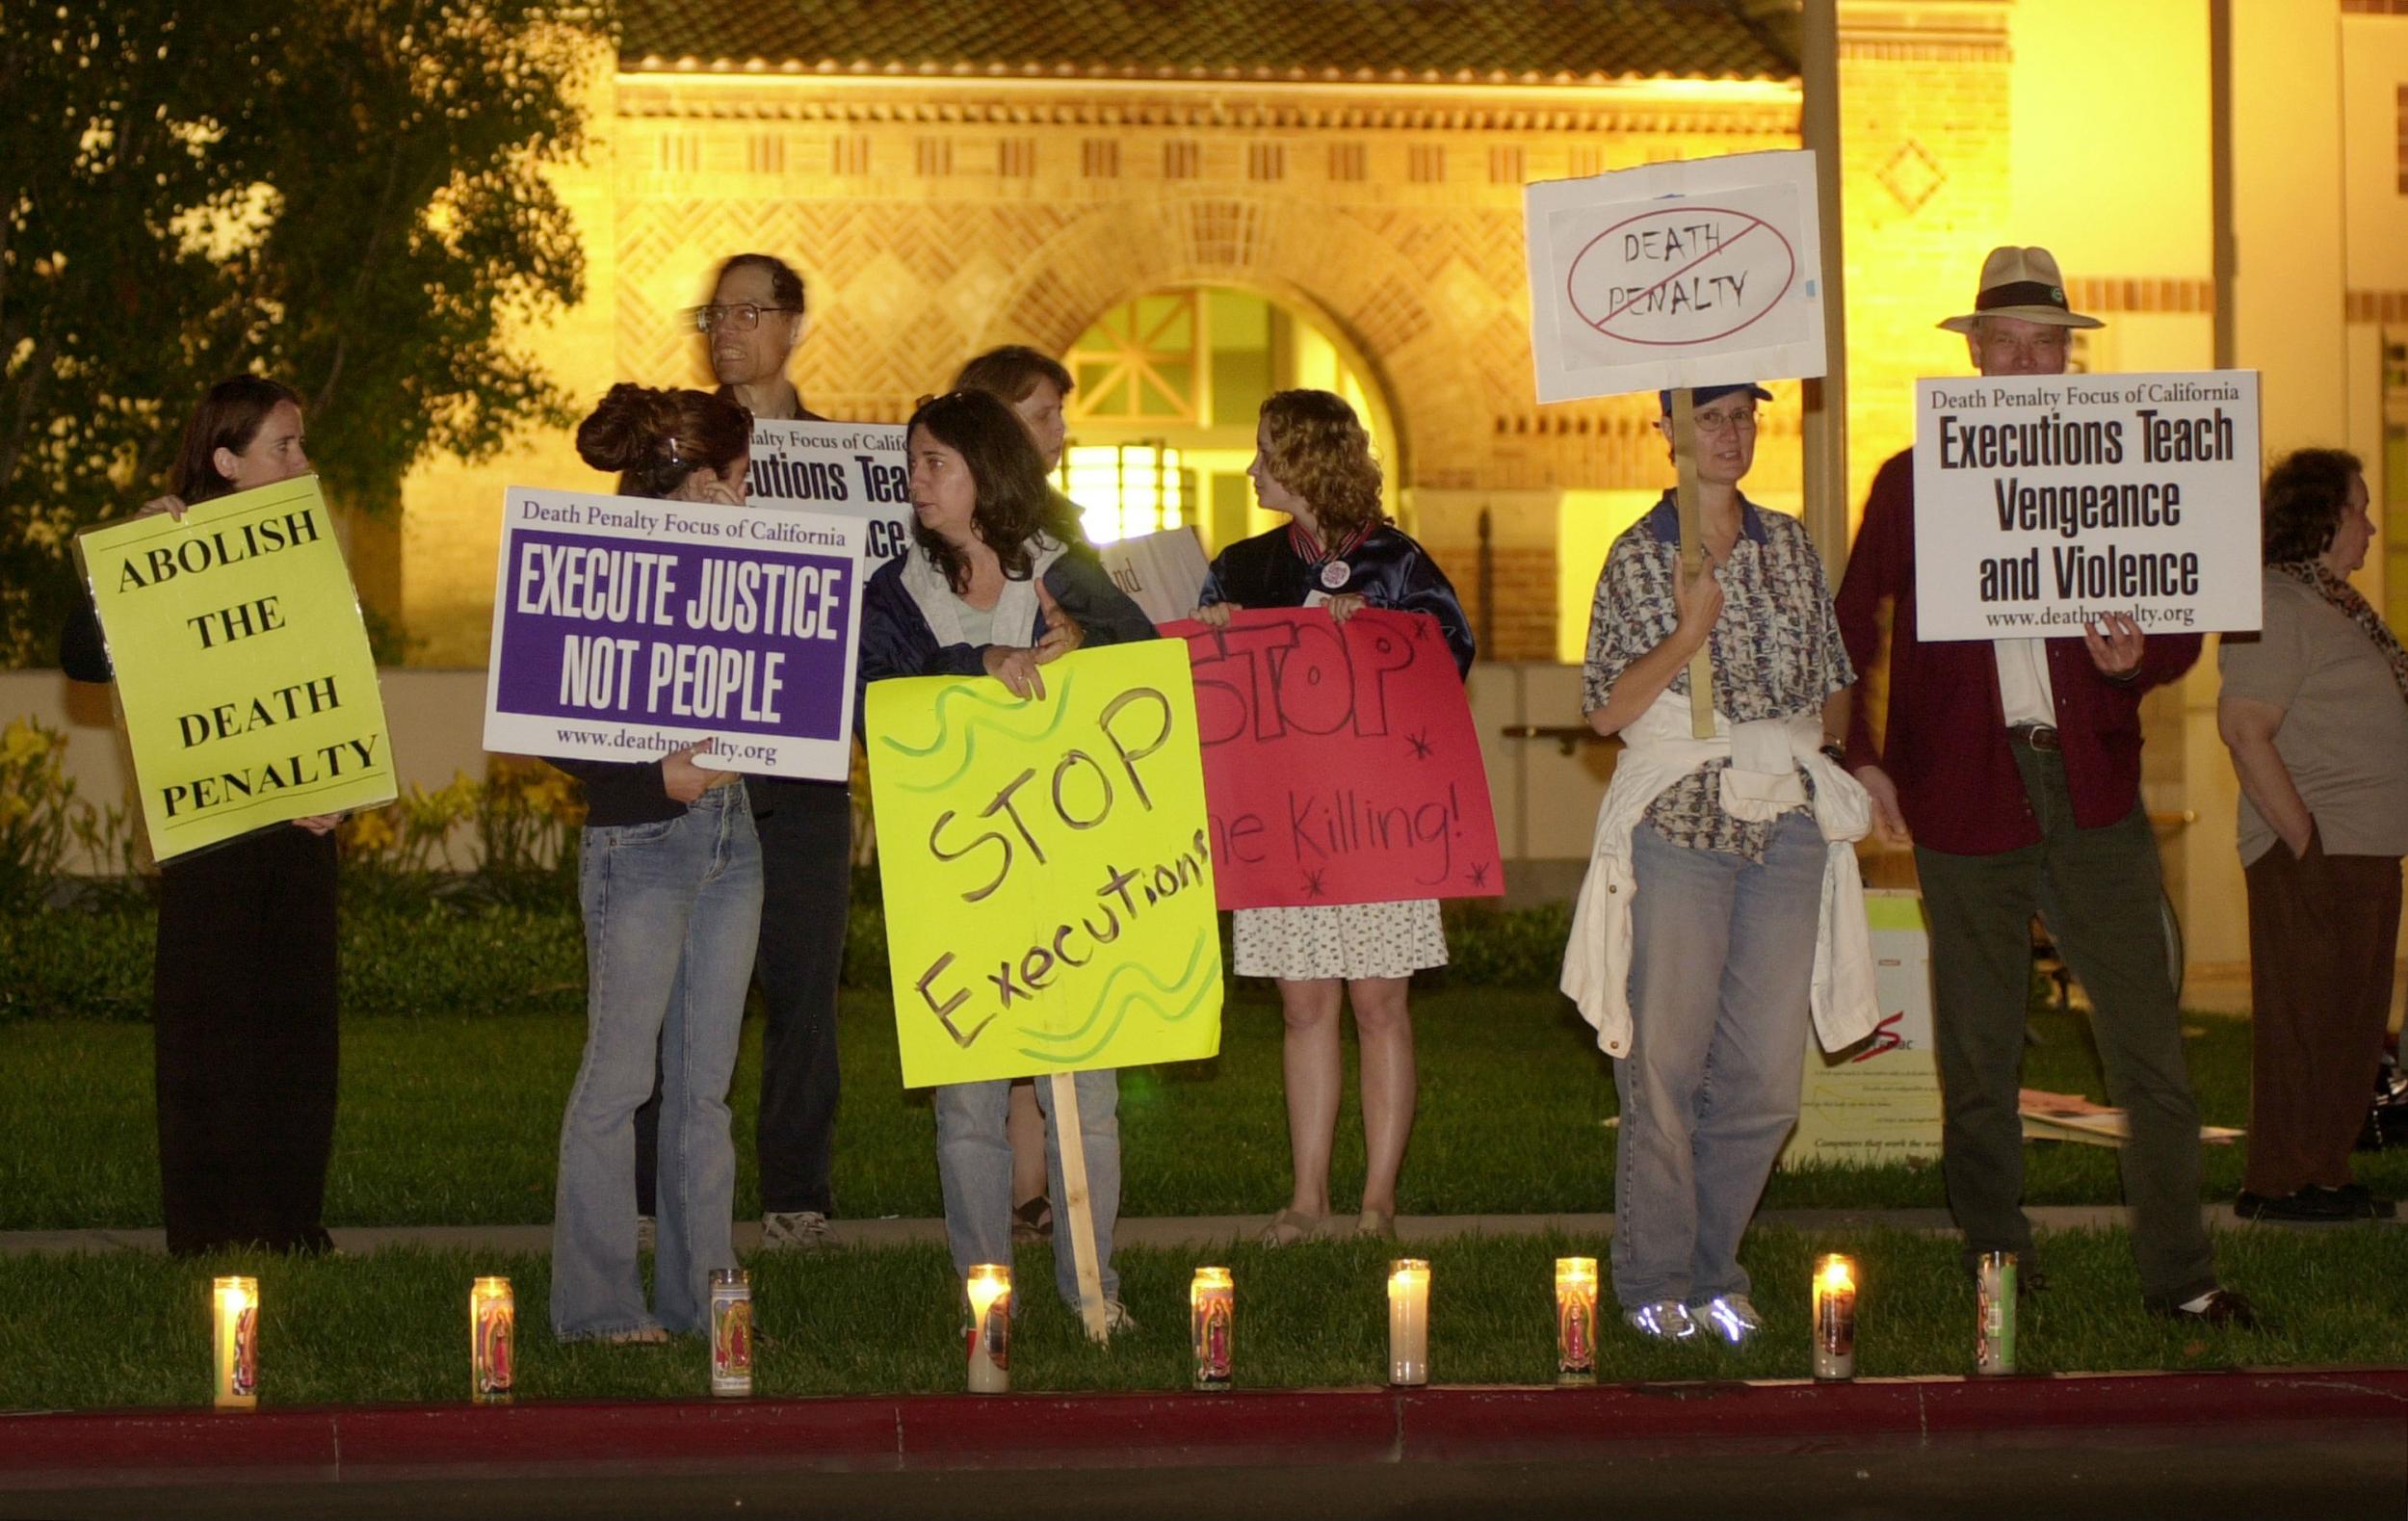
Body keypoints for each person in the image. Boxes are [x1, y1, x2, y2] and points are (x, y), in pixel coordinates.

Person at [1833, 246, 2257, 1324]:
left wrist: (2139, 661)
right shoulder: (1910, 479)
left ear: (2069, 359)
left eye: (2045, 343)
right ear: (1973, 353)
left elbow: (2180, 608)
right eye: (2007, 341)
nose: (2025, 359)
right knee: (1976, 1051)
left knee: (2147, 1048)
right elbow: (1855, 624)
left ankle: (2181, 1276)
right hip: (1961, 788)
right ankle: (1996, 1265)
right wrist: (1862, 754)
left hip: (2091, 786)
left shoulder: (2121, 467)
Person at [1559, 383, 1874, 1343]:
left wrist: (1815, 758)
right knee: (1664, 1063)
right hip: (1683, 825)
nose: (1729, 433)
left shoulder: (1786, 545)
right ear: (1668, 432)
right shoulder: (1639, 554)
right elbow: (1606, 708)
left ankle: (1711, 1265)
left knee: (1765, 1078)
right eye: (1709, 416)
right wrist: (1686, 638)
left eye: (1743, 415)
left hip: (1781, 823)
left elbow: (1832, 681)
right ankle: (1657, 1273)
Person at [856, 387, 1154, 1329]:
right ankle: (986, 1296)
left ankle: (1093, 1291)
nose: (917, 482)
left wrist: (1083, 642)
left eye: (934, 462)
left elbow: (1142, 661)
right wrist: (973, 667)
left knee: (1089, 1100)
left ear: (987, 471)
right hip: (957, 886)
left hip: (1070, 879)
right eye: (913, 464)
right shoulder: (894, 592)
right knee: (970, 1106)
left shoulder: (1066, 572)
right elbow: (868, 695)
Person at [60, 376, 343, 1257]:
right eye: (283, 447)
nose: (302, 460)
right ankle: (210, 1234)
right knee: (208, 1039)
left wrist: (342, 778)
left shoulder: (314, 544)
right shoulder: (164, 542)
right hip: (208, 834)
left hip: (303, 832)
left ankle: (292, 1226)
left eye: (300, 445)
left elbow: (339, 672)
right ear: (227, 460)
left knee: (299, 1035)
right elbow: (81, 658)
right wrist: (127, 563)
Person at [1190, 388, 1474, 1246]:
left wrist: (1387, 629)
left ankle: (1378, 1200)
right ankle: (1308, 1194)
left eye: (1265, 454)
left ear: (1306, 461)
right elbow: (1201, 685)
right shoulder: (1240, 567)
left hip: (1378, 817)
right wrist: (1210, 638)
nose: (1251, 469)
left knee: (1380, 1002)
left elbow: (1450, 654)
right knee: (1303, 1003)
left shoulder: (1398, 563)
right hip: (1281, 817)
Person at [636, 251, 852, 1254]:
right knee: (669, 983)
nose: (727, 329)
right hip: (690, 757)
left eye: (750, 311)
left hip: (801, 764)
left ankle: (795, 1191)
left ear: (795, 326)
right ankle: (651, 1191)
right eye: (714, 312)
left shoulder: (850, 461)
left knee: (803, 985)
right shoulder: (672, 443)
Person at [549, 383, 764, 1343]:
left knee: (703, 1088)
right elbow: (544, 711)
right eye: (743, 472)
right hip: (641, 839)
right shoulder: (592, 560)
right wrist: (650, 772)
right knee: (619, 1079)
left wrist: (730, 552)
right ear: (706, 474)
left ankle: (698, 1297)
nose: (753, 489)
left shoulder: (753, 552)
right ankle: (598, 1306)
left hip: (733, 836)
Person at [2217, 448, 2407, 1222]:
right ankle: (2277, 1181)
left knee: (2351, 1023)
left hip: (2361, 850)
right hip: (2316, 850)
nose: (2369, 523)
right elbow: (2243, 727)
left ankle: (2324, 1170)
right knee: (2304, 1017)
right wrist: (2304, 840)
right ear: (2324, 516)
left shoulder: (2329, 603)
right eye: (2359, 507)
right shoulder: (2274, 602)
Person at [953, 342, 1082, 1244]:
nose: (1062, 434)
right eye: (1044, 415)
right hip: (969, 813)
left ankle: (1036, 1189)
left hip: (1059, 804)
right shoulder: (930, 547)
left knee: (1049, 991)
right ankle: (991, 1192)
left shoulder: (1069, 531)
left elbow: (1125, 638)